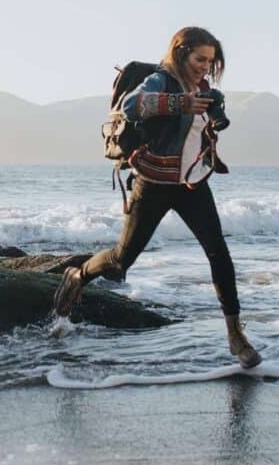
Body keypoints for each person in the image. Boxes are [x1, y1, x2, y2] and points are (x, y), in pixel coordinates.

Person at [52, 26, 261, 369]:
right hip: (153, 182)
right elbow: (131, 107)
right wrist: (181, 103)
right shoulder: (160, 80)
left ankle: (236, 335)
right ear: (181, 52)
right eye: (199, 59)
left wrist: (212, 111)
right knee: (121, 261)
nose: (205, 67)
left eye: (210, 61)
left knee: (219, 254)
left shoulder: (204, 88)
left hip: (192, 184)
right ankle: (78, 274)